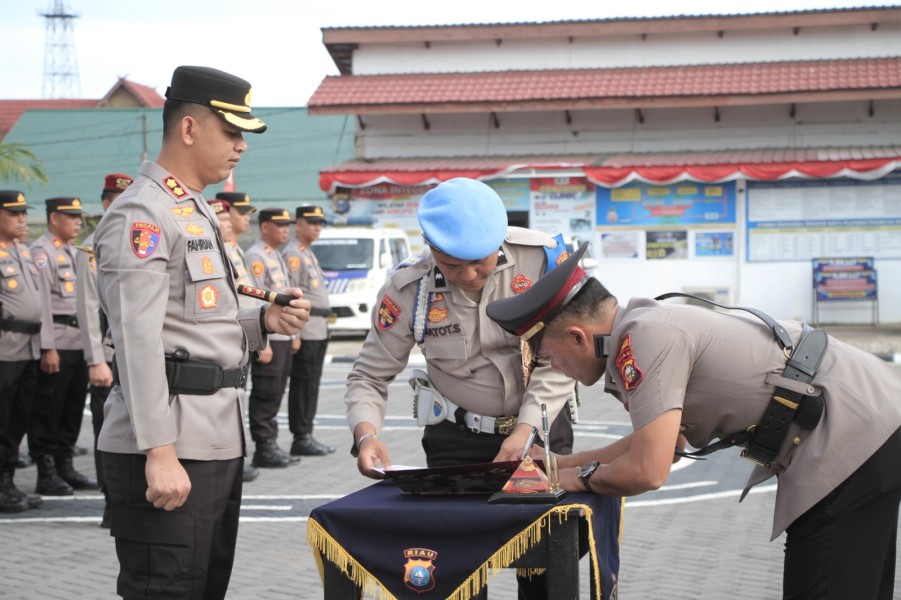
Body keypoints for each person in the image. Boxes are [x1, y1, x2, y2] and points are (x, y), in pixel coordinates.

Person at [486, 244, 901, 600]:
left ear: (577, 336)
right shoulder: (643, 327)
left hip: (852, 431)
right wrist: (565, 463)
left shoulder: (644, 340)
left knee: (823, 585)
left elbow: (648, 471)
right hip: (864, 417)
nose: (552, 367)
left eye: (547, 355)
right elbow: (659, 445)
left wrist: (571, 480)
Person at [92, 65, 311, 600]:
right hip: (171, 444)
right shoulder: (143, 214)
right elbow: (138, 340)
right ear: (189, 129)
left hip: (213, 439)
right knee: (166, 591)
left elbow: (195, 319)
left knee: (203, 587)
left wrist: (263, 321)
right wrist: (159, 453)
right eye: (231, 132)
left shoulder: (192, 210)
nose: (241, 147)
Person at [347, 177, 575, 472]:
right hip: (455, 440)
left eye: (479, 261)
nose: (468, 276)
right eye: (451, 264)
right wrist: (367, 436)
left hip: (541, 430)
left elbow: (564, 357)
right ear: (430, 245)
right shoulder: (409, 289)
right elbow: (369, 375)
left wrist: (525, 428)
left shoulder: (543, 263)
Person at [74, 173, 133, 527]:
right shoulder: (93, 247)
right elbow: (88, 309)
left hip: (132, 354)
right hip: (108, 357)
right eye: (119, 200)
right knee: (107, 427)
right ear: (107, 203)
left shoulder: (134, 239)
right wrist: (96, 360)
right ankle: (111, 502)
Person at [29, 196, 96, 496]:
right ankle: (46, 472)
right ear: (54, 218)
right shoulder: (42, 252)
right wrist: (47, 348)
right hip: (57, 340)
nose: (78, 221)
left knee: (71, 408)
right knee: (48, 409)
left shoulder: (75, 250)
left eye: (79, 216)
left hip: (78, 341)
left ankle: (64, 465)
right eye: (71, 216)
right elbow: (40, 302)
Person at [208, 197, 260, 483]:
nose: (227, 224)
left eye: (229, 219)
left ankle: (234, 457)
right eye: (222, 219)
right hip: (222, 337)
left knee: (238, 397)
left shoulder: (231, 249)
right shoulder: (213, 252)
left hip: (239, 333)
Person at [244, 207, 300, 468]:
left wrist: (294, 334)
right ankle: (264, 447)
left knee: (276, 390)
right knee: (266, 391)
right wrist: (261, 342)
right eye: (279, 226)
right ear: (264, 227)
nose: (285, 230)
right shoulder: (255, 255)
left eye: (287, 225)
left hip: (282, 336)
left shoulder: (273, 254)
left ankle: (272, 444)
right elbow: (253, 300)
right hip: (269, 335)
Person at [0, 191, 44, 512]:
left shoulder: (23, 252)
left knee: (18, 419)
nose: (23, 220)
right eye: (14, 214)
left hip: (29, 349)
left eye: (24, 214)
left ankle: (8, 482)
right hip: (5, 350)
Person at [282, 205, 335, 457]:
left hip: (318, 328)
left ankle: (306, 434)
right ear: (298, 224)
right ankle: (301, 437)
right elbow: (289, 296)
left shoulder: (306, 252)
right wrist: (294, 334)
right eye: (312, 222)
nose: (317, 227)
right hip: (305, 329)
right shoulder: (293, 254)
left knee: (311, 384)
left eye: (319, 223)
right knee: (303, 385)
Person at [216, 191, 256, 300]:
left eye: (248, 213)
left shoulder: (235, 247)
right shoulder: (220, 251)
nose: (248, 217)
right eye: (242, 213)